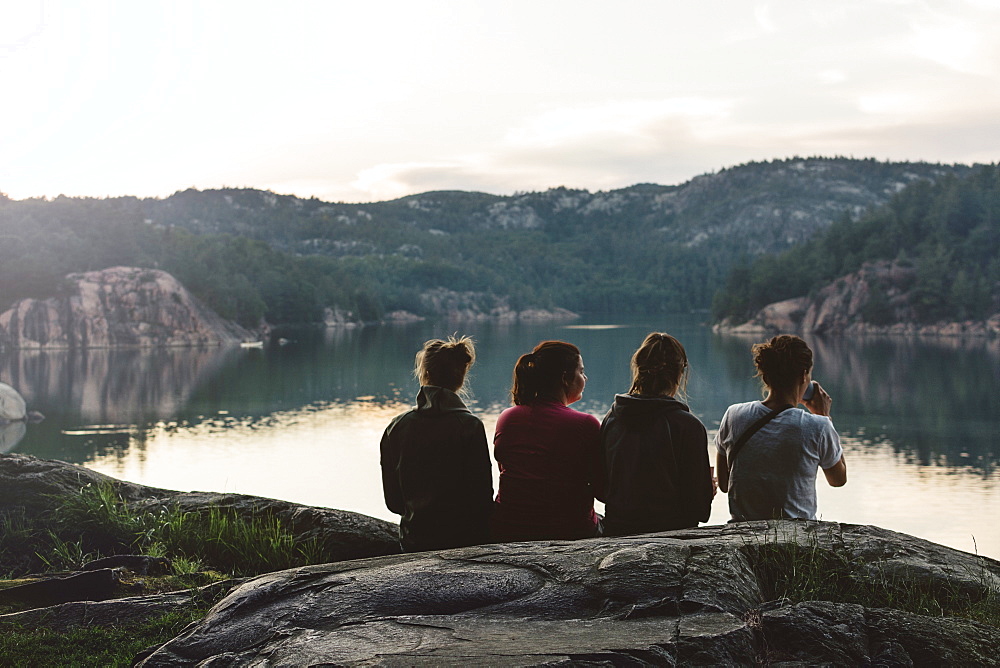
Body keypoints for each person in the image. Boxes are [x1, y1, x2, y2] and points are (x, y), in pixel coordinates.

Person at [715, 334, 847, 521]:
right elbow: (838, 479)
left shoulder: (733, 415)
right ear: (803, 376)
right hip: (797, 537)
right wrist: (824, 415)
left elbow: (724, 484)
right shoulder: (818, 425)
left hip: (743, 534)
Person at [380, 336, 494, 552]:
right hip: (465, 541)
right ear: (461, 377)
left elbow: (394, 503)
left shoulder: (397, 427)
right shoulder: (470, 426)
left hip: (414, 541)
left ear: (426, 374)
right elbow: (482, 500)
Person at [599, 332, 714, 536]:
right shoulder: (689, 426)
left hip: (618, 530)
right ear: (680, 372)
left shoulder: (612, 419)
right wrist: (708, 490)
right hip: (672, 534)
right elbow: (699, 508)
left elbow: (600, 489)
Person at [491, 340, 603, 542]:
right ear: (565, 378)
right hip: (569, 531)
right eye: (581, 371)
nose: (585, 378)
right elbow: (602, 488)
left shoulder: (506, 418)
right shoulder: (585, 424)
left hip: (509, 528)